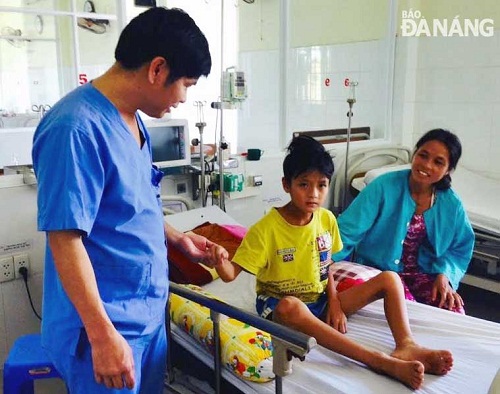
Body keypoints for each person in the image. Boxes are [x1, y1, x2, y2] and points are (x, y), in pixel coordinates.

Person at [32, 7, 215, 394]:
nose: (184, 98)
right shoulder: (75, 128)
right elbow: (65, 238)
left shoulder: (132, 118)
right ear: (158, 69)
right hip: (104, 326)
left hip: (144, 317)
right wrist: (101, 337)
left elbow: (130, 204)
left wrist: (175, 238)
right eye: (187, 83)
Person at [210, 135, 453, 390]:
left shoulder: (326, 220)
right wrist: (219, 260)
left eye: (322, 185)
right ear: (286, 185)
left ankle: (406, 345)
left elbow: (326, 268)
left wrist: (335, 303)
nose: (313, 194)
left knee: (390, 278)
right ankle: (378, 361)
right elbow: (229, 275)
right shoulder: (266, 229)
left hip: (320, 301)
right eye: (303, 184)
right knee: (290, 307)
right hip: (280, 307)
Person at [333, 128, 475, 314]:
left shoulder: (451, 204)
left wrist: (445, 276)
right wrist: (322, 264)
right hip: (382, 273)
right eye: (423, 155)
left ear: (448, 170)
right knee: (409, 311)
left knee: (453, 310)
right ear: (414, 154)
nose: (427, 165)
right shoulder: (383, 187)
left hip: (424, 274)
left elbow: (460, 247)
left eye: (438, 162)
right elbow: (347, 231)